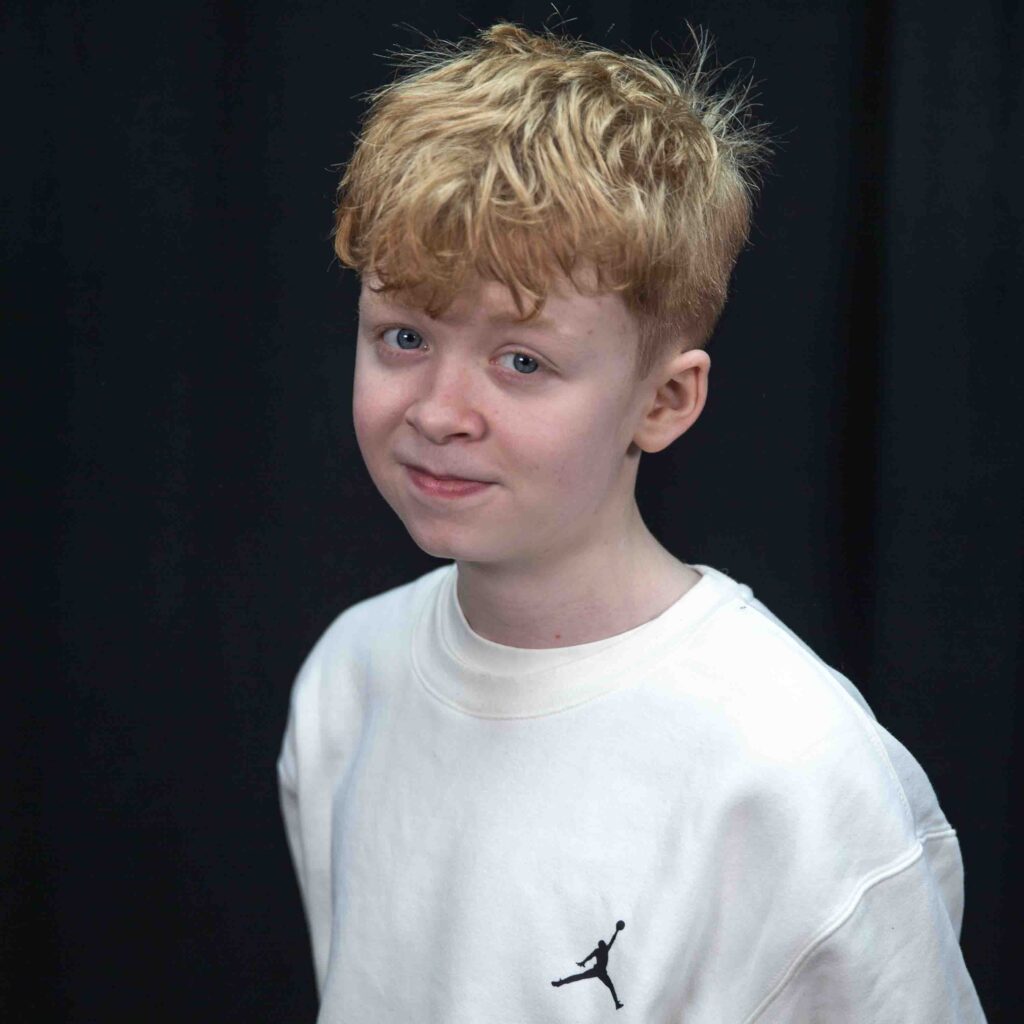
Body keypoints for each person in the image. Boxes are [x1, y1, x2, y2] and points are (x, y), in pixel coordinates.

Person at [277, 20, 987, 1022]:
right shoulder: (349, 681)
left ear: (664, 401)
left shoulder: (793, 776)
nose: (438, 411)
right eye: (403, 337)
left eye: (522, 360)